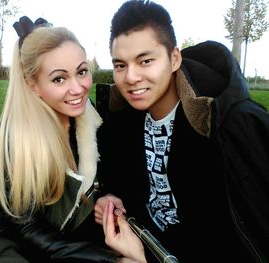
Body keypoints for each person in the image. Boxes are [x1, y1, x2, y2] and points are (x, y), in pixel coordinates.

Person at [0, 16, 141, 263]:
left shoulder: (83, 119)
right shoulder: (18, 136)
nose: (78, 88)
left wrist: (104, 198)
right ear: (33, 85)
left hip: (19, 232)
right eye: (59, 78)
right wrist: (113, 261)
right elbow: (28, 230)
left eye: (81, 71)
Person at [94, 0, 269, 262]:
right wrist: (109, 198)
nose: (130, 77)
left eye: (145, 61)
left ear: (174, 58)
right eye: (120, 65)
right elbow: (120, 182)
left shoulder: (234, 123)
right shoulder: (122, 121)